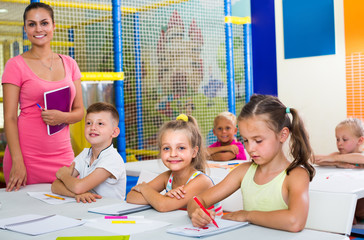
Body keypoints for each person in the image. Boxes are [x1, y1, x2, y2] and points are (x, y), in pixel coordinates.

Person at [187, 94, 315, 232]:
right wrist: (197, 213)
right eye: (246, 140)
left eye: (258, 140)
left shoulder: (296, 175)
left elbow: (295, 222)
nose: (250, 148)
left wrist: (247, 215)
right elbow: (196, 201)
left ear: (282, 135)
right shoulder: (244, 171)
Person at [2, 2, 84, 191]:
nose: (38, 29)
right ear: (25, 29)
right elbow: (10, 117)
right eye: (32, 24)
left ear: (54, 26)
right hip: (26, 157)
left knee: (68, 214)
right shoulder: (15, 65)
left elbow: (80, 111)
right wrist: (18, 160)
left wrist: (62, 117)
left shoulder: (70, 63)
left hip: (63, 156)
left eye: (44, 23)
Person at [126, 114, 222, 214]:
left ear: (194, 152)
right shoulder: (167, 177)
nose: (173, 154)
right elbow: (131, 196)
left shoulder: (201, 181)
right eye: (166, 148)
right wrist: (163, 198)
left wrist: (144, 188)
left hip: (210, 229)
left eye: (181, 148)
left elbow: (163, 206)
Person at [51, 102, 126, 203]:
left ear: (114, 132)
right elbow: (55, 186)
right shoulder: (85, 154)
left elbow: (79, 187)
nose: (93, 127)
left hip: (109, 215)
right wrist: (78, 194)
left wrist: (63, 175)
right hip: (89, 210)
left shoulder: (112, 159)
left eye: (100, 124)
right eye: (89, 123)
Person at [314, 118, 364, 223]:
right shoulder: (339, 156)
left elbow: (360, 158)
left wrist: (335, 158)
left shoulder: (358, 155)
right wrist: (336, 163)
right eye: (337, 139)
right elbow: (314, 158)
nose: (339, 143)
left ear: (360, 140)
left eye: (344, 139)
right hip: (350, 203)